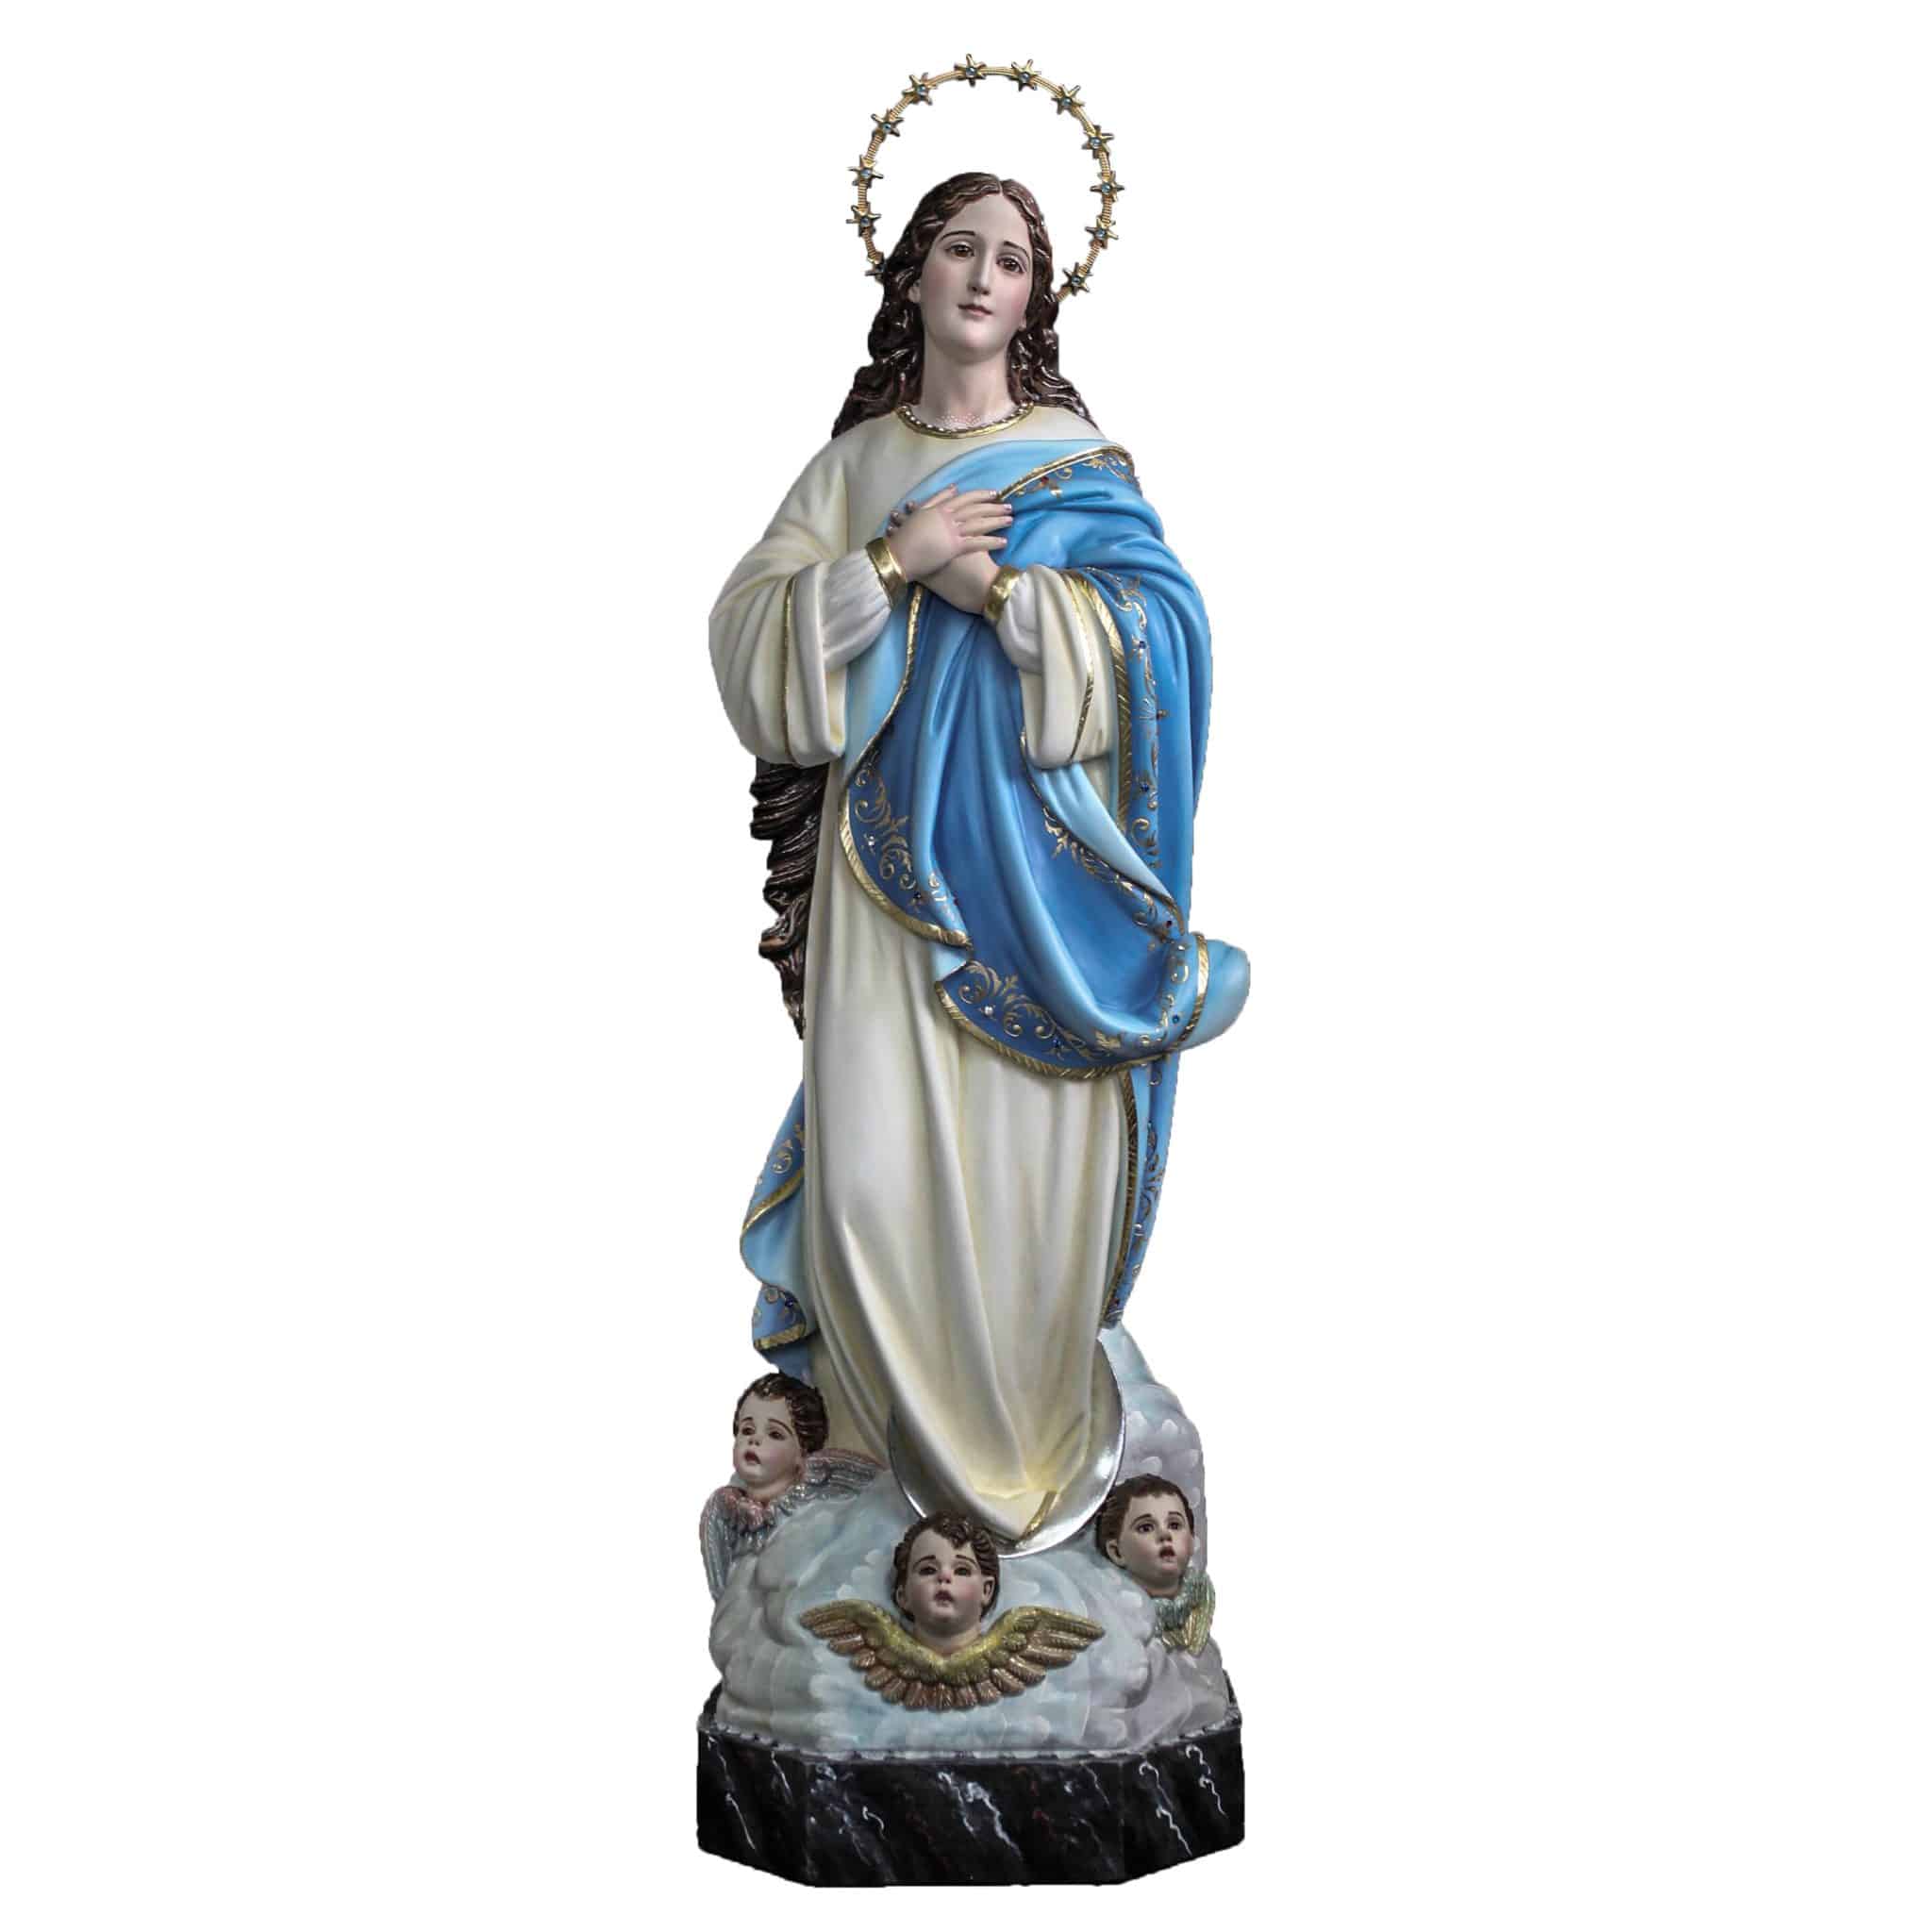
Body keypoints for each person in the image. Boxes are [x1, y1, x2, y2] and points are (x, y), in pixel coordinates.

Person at [710, 172, 1248, 1541]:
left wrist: (999, 593)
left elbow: (1166, 641)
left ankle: (1026, 1471)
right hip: (885, 880)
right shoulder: (855, 468)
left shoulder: (1075, 460)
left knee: (1021, 1183)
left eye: (1011, 261)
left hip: (1034, 885)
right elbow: (747, 640)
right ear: (913, 273)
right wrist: (891, 561)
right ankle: (880, 1469)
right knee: (870, 1179)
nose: (982, 277)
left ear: (1032, 300)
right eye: (960, 248)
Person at [697, 1372, 877, 1600]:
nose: (754, 1440)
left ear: (802, 1453)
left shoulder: (811, 1510)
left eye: (775, 1434)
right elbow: (722, 1587)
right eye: (747, 1430)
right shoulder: (727, 1506)